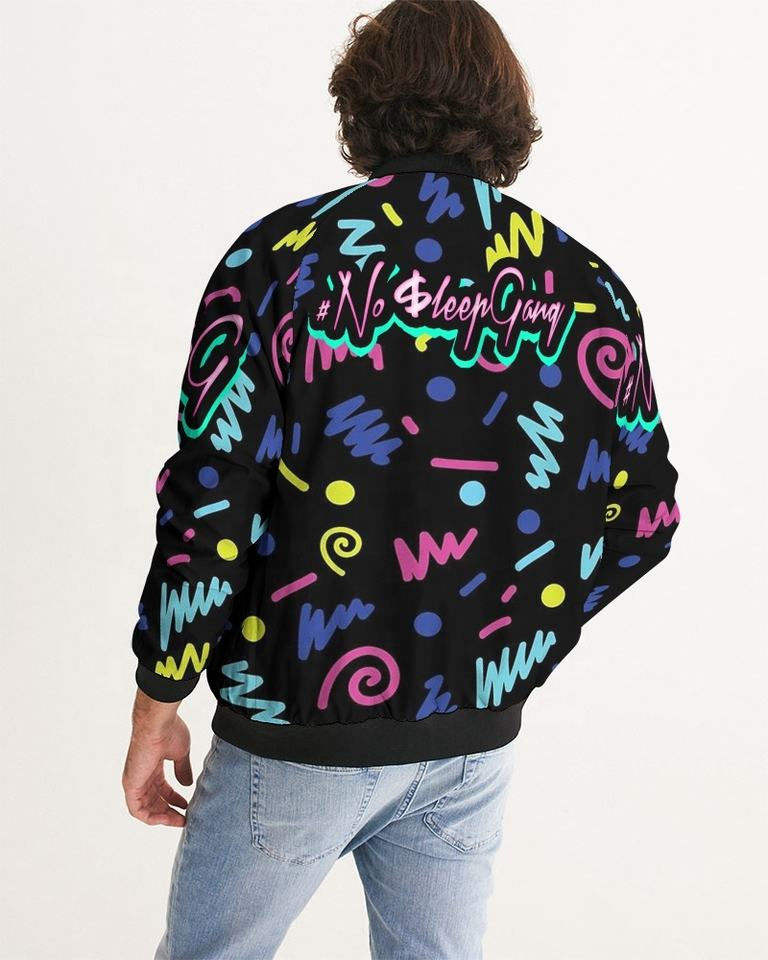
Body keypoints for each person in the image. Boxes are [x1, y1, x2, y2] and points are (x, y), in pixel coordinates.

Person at [122, 1, 680, 957]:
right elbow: (647, 515)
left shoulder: (281, 261)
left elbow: (212, 503)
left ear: (362, 104)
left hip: (296, 725)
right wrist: (514, 629)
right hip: (473, 738)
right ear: (503, 109)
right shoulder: (585, 286)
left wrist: (157, 700)